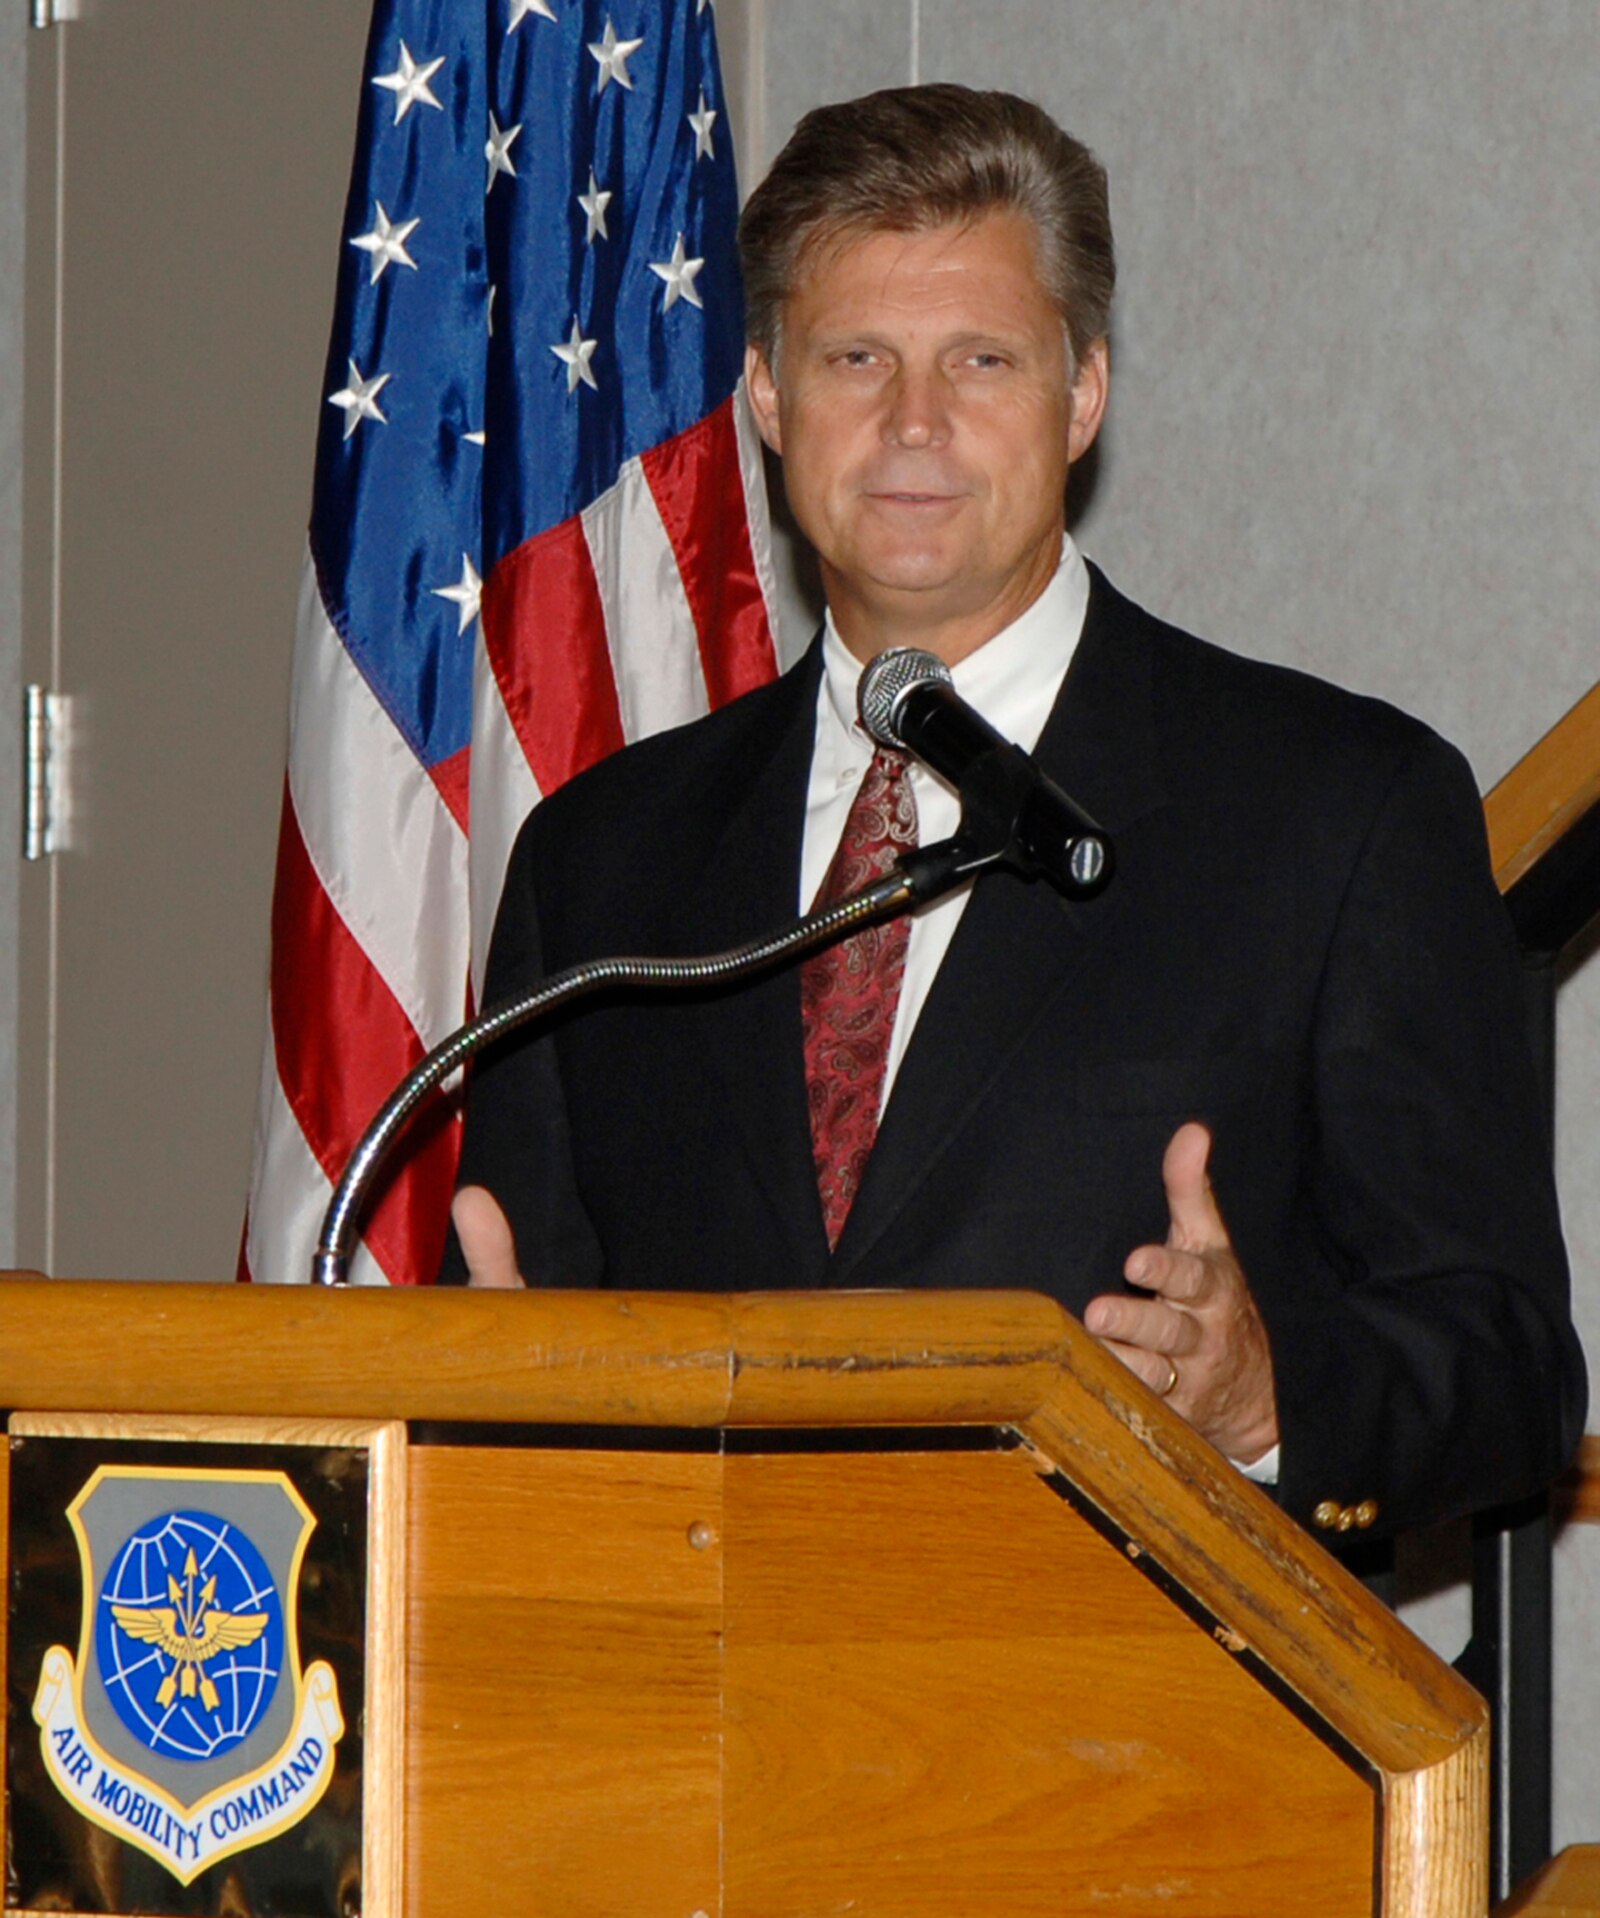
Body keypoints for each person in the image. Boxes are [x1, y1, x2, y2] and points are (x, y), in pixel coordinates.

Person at [444, 83, 1584, 1542]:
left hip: (1136, 1730)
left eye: (981, 359)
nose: (914, 423)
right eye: (857, 357)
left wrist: (1262, 1393)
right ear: (773, 401)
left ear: (1083, 394)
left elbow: (1506, 1372)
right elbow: (527, 1311)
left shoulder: (1335, 811)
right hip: (694, 1715)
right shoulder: (603, 860)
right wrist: (486, 1388)